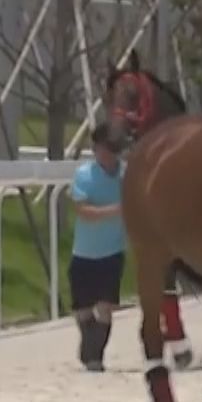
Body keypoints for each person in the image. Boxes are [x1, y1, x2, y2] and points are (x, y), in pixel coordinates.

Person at [69, 124, 127, 372]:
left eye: (114, 150)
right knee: (82, 309)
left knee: (105, 306)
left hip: (112, 252)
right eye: (105, 150)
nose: (110, 156)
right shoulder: (84, 175)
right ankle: (88, 344)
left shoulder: (127, 175)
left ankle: (96, 356)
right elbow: (83, 211)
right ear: (95, 150)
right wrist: (117, 210)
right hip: (84, 252)